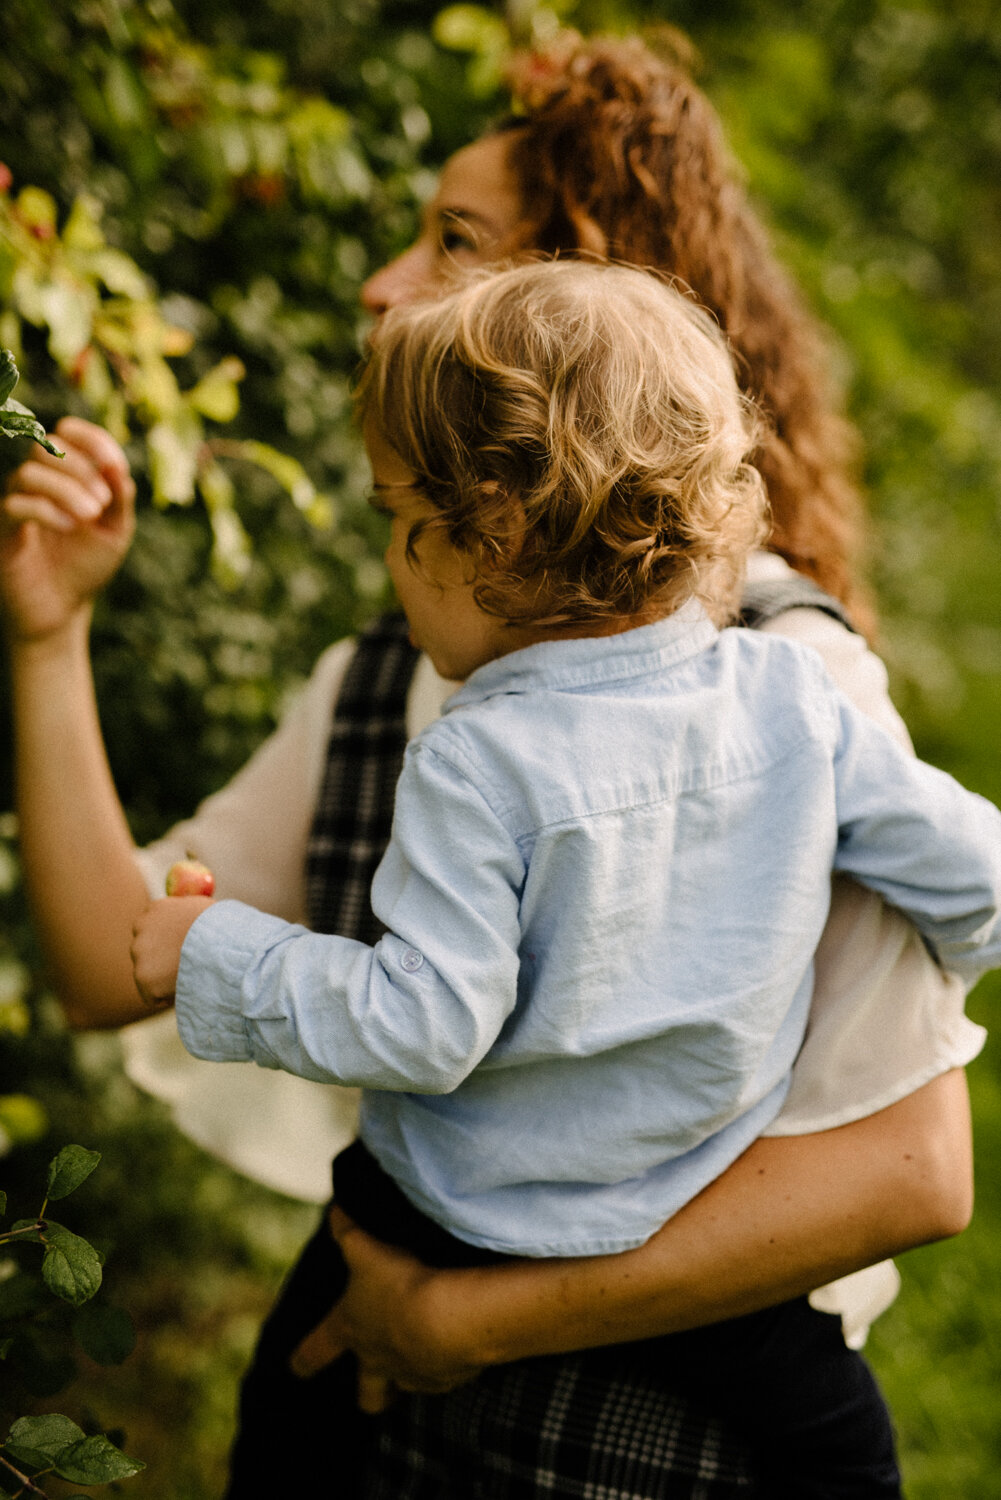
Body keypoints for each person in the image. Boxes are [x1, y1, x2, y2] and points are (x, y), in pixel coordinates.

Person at [0, 29, 981, 1500]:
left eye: (452, 244)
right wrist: (48, 634)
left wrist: (457, 1317)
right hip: (437, 1409)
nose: (382, 283)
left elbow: (913, 1174)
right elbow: (105, 964)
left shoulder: (782, 667)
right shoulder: (435, 679)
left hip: (636, 1442)